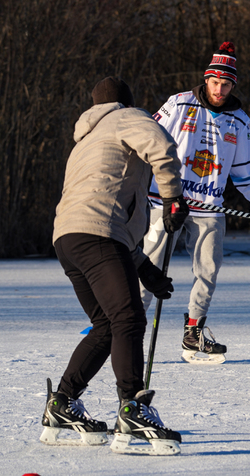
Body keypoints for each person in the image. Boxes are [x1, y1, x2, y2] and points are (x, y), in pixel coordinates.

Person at [41, 77, 188, 455]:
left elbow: (102, 209)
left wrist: (144, 268)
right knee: (128, 319)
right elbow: (163, 146)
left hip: (68, 239)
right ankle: (133, 408)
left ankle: (62, 403)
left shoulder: (84, 141)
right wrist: (173, 198)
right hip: (98, 237)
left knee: (106, 325)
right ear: (125, 102)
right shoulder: (125, 117)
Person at [142, 41, 250, 364]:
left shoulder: (240, 121)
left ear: (233, 84)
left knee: (208, 269)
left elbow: (246, 171)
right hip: (167, 203)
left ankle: (193, 332)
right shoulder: (178, 105)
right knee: (147, 268)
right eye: (215, 82)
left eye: (226, 84)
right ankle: (128, 329)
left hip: (209, 207)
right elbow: (147, 140)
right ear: (206, 79)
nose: (220, 89)